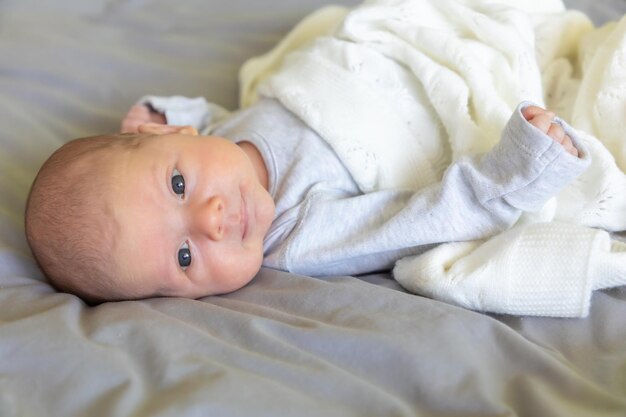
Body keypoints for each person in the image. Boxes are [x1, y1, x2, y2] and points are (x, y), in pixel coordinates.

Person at [24, 91, 589, 303]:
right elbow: (421, 221)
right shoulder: (300, 236)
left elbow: (208, 122)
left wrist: (168, 110)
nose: (212, 220)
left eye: (177, 186)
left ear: (168, 137)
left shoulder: (217, 134)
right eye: (185, 257)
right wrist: (521, 166)